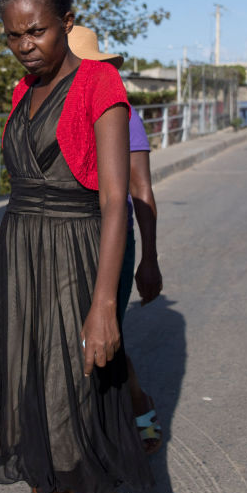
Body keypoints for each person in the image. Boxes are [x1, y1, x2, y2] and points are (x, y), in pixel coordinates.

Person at [0, 0, 153, 493]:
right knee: (24, 418)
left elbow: (116, 201)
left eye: (37, 31)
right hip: (21, 263)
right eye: (13, 35)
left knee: (67, 419)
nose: (25, 46)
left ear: (66, 23)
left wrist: (103, 307)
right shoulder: (23, 91)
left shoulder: (101, 81)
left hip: (76, 261)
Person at [67, 25, 164, 454]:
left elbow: (140, 191)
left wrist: (149, 259)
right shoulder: (47, 106)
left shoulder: (120, 112)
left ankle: (134, 406)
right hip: (63, 240)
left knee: (103, 332)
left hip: (110, 239)